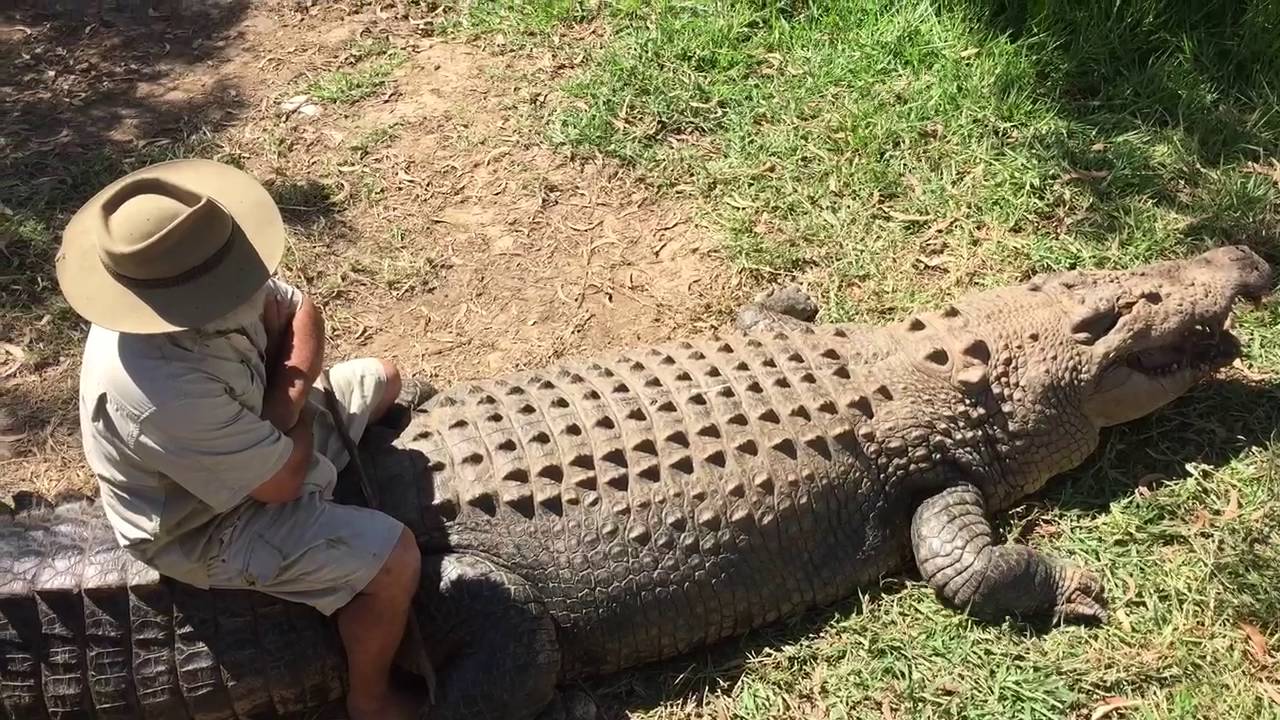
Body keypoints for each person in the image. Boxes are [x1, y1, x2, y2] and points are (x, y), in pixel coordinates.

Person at [56, 158, 425, 720]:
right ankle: (369, 698)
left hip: (265, 423)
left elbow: (303, 312)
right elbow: (279, 485)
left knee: (386, 376)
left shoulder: (207, 263)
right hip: (207, 521)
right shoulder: (158, 390)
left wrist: (282, 399)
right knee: (395, 560)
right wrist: (287, 399)